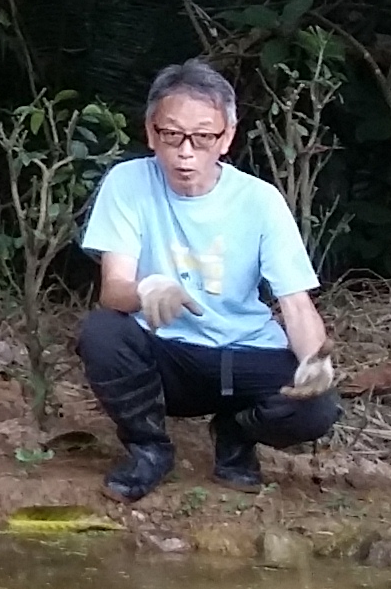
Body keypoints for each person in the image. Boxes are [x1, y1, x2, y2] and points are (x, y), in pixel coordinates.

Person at [76, 57, 344, 501]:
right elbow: (113, 289)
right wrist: (147, 290)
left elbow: (296, 304)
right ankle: (149, 449)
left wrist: (314, 361)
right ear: (150, 132)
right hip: (169, 357)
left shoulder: (260, 200)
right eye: (172, 135)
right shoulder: (127, 183)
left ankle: (238, 432)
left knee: (317, 407)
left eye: (203, 137)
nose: (185, 152)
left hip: (245, 354)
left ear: (227, 138)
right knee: (102, 333)